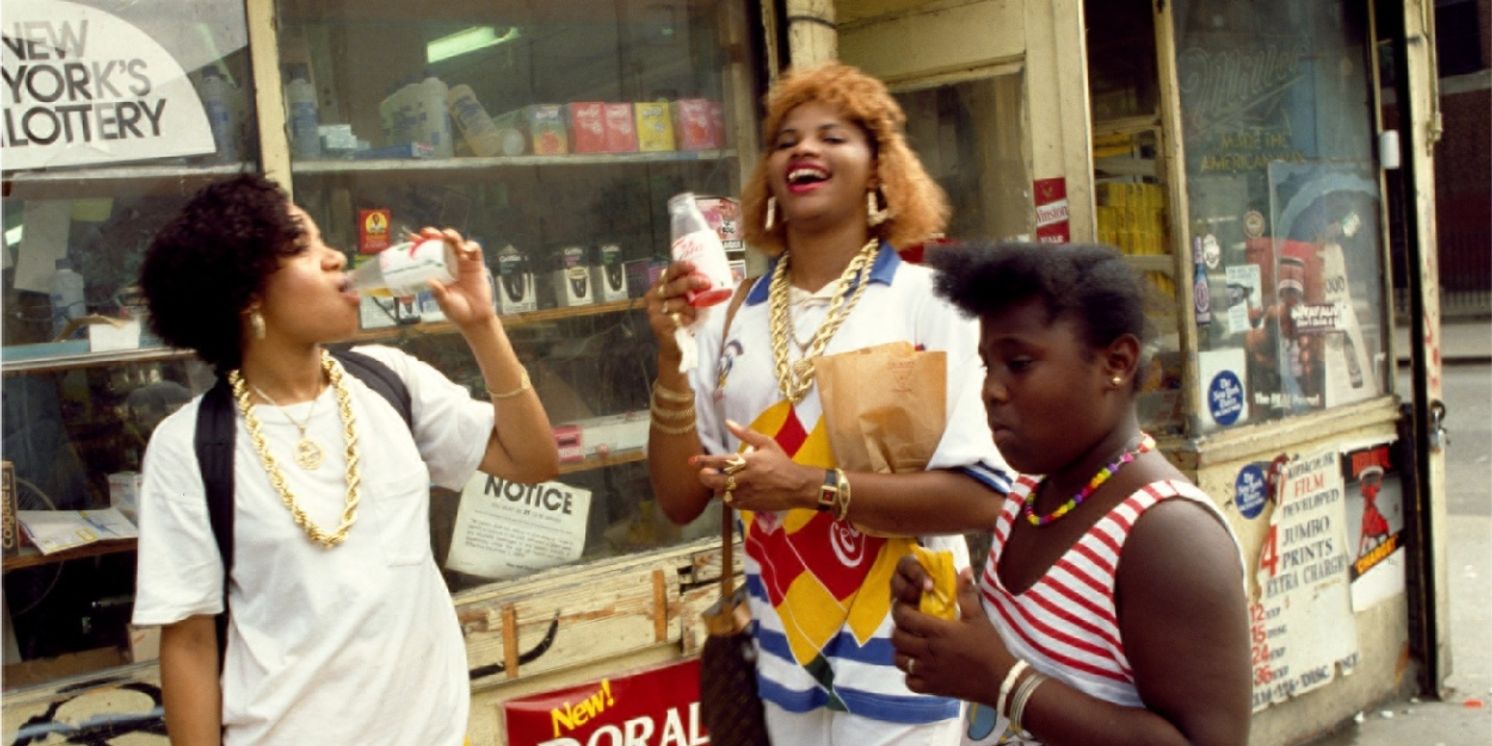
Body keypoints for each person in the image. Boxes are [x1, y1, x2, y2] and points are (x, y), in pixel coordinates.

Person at [647, 63, 1011, 744]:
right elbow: (677, 500)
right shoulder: (728, 319)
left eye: (832, 136)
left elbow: (982, 495)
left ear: (880, 169)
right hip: (784, 655)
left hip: (910, 646)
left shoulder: (931, 301)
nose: (803, 150)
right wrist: (672, 356)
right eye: (785, 140)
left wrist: (808, 486)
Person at [130, 174, 558, 745]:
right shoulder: (188, 446)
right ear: (248, 293)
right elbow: (188, 643)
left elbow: (533, 461)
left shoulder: (389, 382)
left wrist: (482, 325)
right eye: (304, 247)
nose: (336, 258)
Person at [890, 242, 1251, 745]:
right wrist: (954, 622)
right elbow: (1035, 656)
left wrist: (1002, 681)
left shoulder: (1168, 535)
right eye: (987, 366)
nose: (991, 390)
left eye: (1018, 364)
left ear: (1116, 363)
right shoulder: (1027, 498)